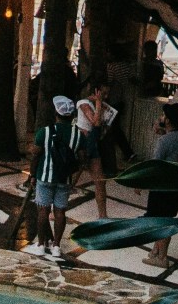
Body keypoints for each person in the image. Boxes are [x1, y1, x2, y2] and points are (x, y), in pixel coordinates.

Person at [24, 96, 82, 260]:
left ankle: (41, 245)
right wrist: (74, 178)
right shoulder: (77, 135)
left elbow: (35, 155)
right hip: (65, 179)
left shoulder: (45, 132)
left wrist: (33, 175)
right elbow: (82, 158)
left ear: (56, 113)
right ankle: (56, 246)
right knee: (60, 212)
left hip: (45, 176)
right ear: (71, 115)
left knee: (43, 210)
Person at [143, 102, 178, 268]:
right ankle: (156, 251)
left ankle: (162, 258)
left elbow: (155, 165)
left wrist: (140, 182)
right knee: (166, 217)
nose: (160, 117)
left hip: (163, 188)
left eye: (163, 115)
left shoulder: (165, 141)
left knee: (160, 220)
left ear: (167, 120)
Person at [74, 80, 118, 221]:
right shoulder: (83, 103)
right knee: (72, 177)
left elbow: (102, 128)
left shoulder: (105, 107)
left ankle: (103, 215)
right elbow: (95, 122)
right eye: (103, 93)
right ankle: (55, 208)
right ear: (96, 92)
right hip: (82, 143)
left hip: (94, 143)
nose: (105, 97)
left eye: (107, 94)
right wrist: (98, 104)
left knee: (100, 180)